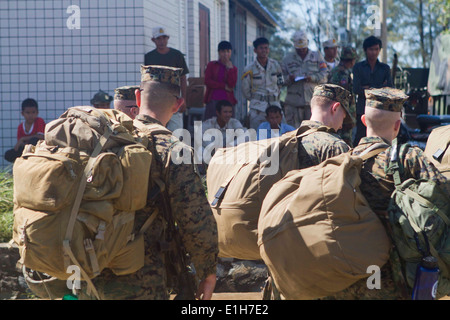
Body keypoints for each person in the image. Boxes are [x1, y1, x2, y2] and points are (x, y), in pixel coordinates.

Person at [79, 65, 218, 300]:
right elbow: (195, 219)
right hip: (142, 277)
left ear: (137, 97)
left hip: (91, 269)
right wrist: (208, 271)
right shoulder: (174, 150)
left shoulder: (107, 139)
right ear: (178, 105)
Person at [323, 87, 450, 300]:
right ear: (398, 125)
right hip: (394, 278)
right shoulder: (409, 157)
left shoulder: (342, 160)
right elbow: (442, 194)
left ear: (364, 120)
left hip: (347, 274)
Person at [144, 27, 189, 132]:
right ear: (153, 40)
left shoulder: (176, 55)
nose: (162, 41)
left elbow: (183, 78)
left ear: (168, 38)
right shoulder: (149, 57)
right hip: (155, 100)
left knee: (176, 131)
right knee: (157, 130)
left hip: (173, 99)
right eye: (158, 38)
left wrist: (184, 99)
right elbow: (146, 80)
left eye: (164, 38)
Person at [281, 30, 328, 128]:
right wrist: (289, 79)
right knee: (293, 131)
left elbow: (324, 75)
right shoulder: (287, 59)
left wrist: (313, 78)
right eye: (299, 49)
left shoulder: (317, 56)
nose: (302, 51)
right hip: (293, 103)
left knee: (313, 130)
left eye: (303, 48)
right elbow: (279, 80)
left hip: (312, 100)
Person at [353, 35, 393, 146]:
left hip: (381, 110)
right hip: (362, 110)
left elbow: (390, 89)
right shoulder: (358, 67)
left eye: (376, 49)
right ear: (365, 50)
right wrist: (379, 87)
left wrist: (368, 88)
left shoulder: (385, 68)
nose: (374, 52)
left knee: (381, 139)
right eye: (371, 49)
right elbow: (356, 89)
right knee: (360, 138)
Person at [242, 37, 284, 130]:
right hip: (258, 109)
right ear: (255, 50)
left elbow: (280, 83)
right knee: (258, 136)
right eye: (261, 48)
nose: (264, 50)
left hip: (275, 106)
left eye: (266, 48)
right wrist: (257, 99)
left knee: (277, 135)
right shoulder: (249, 69)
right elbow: (245, 91)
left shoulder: (275, 65)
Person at [328, 46, 357, 147]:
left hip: (337, 113)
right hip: (344, 115)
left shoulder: (335, 71)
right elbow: (344, 95)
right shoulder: (343, 73)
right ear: (352, 60)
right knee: (345, 143)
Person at [203, 41, 238, 121]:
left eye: (228, 51)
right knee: (211, 126)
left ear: (231, 52)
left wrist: (230, 70)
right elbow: (207, 81)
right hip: (213, 100)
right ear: (219, 52)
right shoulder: (212, 65)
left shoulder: (233, 68)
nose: (225, 54)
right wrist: (223, 86)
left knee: (229, 127)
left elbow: (231, 85)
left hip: (228, 101)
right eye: (223, 51)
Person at [4, 98, 45, 163]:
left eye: (33, 112)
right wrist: (23, 143)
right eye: (28, 113)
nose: (30, 115)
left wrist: (23, 138)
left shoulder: (39, 121)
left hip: (38, 149)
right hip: (25, 149)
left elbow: (41, 137)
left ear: (37, 113)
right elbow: (19, 144)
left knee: (34, 140)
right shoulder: (20, 127)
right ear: (22, 113)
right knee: (8, 154)